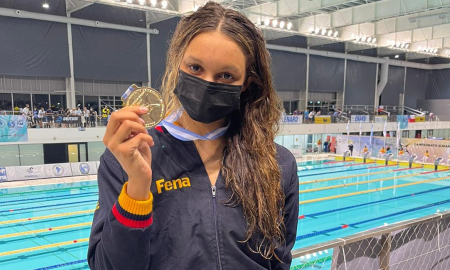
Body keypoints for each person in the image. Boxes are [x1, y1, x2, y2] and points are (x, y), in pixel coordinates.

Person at [88, 3, 299, 269]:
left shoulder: (277, 163)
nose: (207, 83)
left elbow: (279, 260)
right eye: (196, 68)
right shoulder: (129, 155)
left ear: (246, 82)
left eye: (226, 75)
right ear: (178, 63)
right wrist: (138, 187)